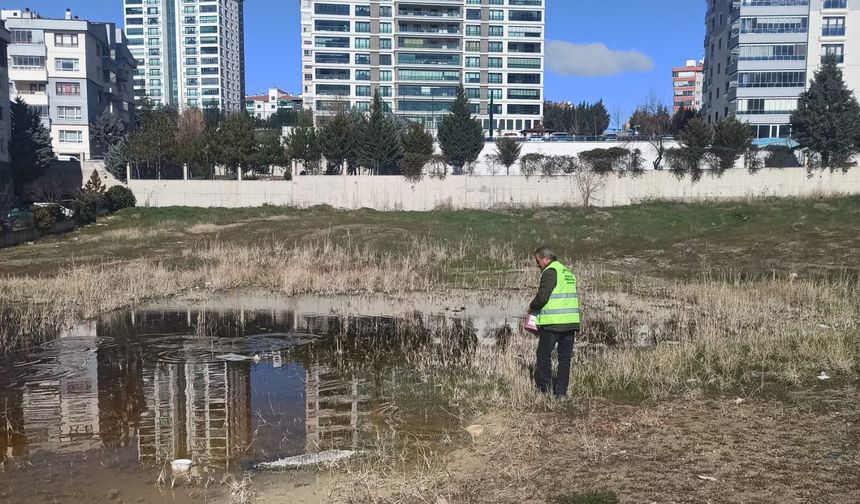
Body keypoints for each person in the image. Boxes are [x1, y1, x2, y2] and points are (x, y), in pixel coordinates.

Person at [529, 246, 580, 398]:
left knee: (543, 355)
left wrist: (532, 307)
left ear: (545, 259)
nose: (537, 265)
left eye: (538, 261)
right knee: (564, 359)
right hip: (570, 322)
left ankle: (547, 390)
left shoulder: (550, 271)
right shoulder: (567, 272)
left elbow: (543, 296)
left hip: (553, 323)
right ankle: (562, 393)